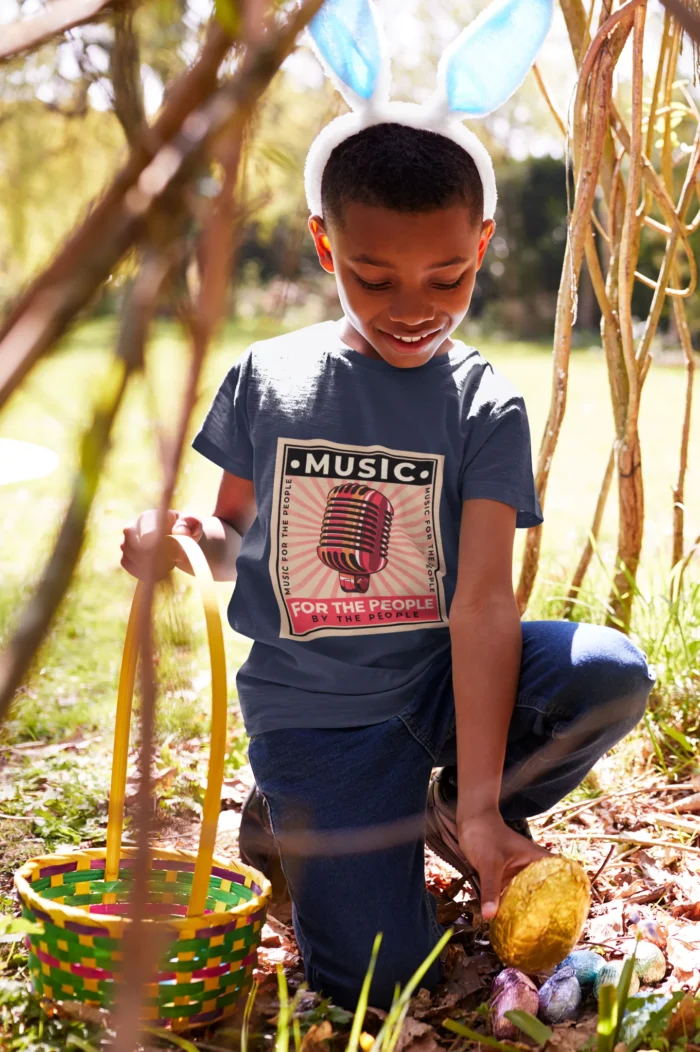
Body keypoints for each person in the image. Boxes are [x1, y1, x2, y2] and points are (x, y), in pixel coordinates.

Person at [120, 0, 655, 1012]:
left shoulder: (481, 400)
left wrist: (491, 802)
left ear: (484, 243)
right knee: (381, 980)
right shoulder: (266, 377)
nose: (413, 303)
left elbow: (484, 605)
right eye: (374, 276)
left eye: (446, 275)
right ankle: (286, 821)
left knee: (607, 671)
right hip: (318, 718)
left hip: (434, 688)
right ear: (325, 247)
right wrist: (189, 541)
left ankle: (453, 814)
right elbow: (234, 536)